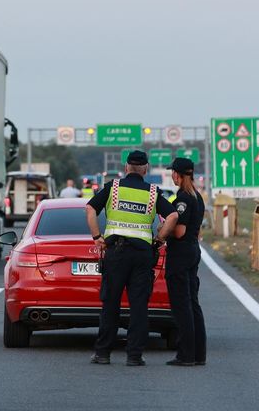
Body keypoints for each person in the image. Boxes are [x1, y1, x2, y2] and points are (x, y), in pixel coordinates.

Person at [86, 150, 177, 366]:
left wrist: (97, 237)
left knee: (110, 303)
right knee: (138, 306)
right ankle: (134, 356)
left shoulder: (113, 188)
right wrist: (159, 239)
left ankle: (103, 354)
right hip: (142, 256)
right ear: (145, 169)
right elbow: (173, 215)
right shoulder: (153, 192)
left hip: (115, 253)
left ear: (126, 168)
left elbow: (90, 208)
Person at [163, 157, 207, 366]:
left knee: (181, 305)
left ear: (177, 175)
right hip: (192, 251)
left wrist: (162, 233)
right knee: (192, 303)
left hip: (180, 254)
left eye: (173, 172)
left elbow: (179, 231)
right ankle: (199, 354)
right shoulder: (197, 197)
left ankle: (185, 355)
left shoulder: (182, 199)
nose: (172, 175)